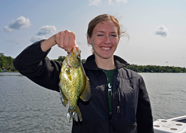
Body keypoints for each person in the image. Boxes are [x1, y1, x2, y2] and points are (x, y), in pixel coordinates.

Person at [13, 14, 154, 133]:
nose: (107, 40)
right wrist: (53, 40)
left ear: (118, 39)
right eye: (100, 34)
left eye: (113, 35)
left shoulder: (135, 80)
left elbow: (145, 124)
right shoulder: (69, 73)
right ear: (88, 39)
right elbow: (23, 64)